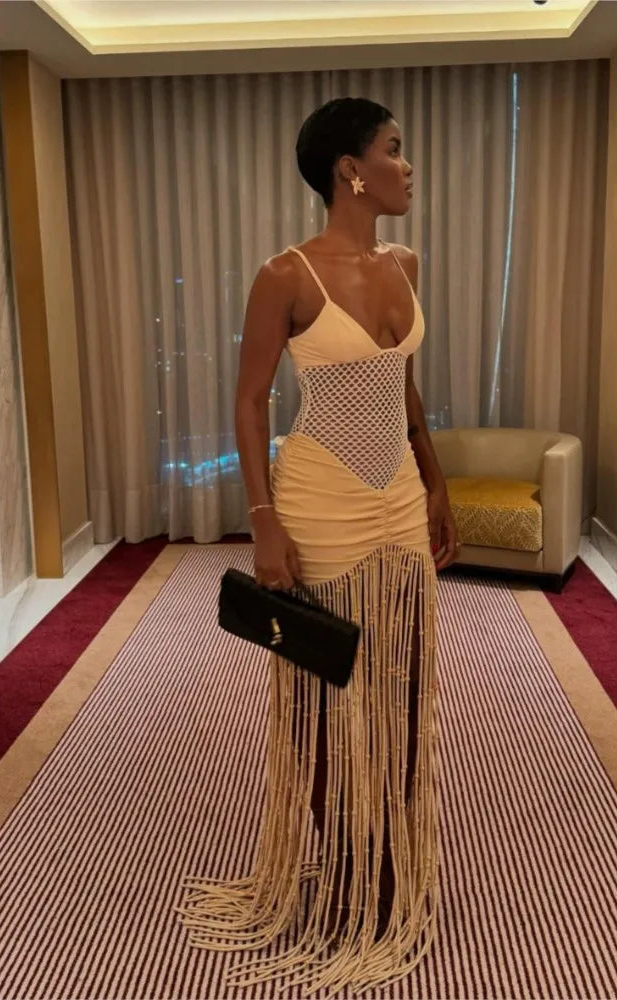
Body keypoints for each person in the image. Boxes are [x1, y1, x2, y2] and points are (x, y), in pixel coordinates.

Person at [177, 96, 459, 995]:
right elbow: (249, 399)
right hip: (318, 502)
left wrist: (437, 480)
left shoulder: (405, 262)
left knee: (405, 683)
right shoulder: (285, 275)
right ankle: (341, 869)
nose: (407, 166)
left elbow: (403, 387)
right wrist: (261, 520)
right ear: (350, 169)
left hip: (399, 498)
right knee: (325, 688)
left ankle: (392, 857)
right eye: (394, 149)